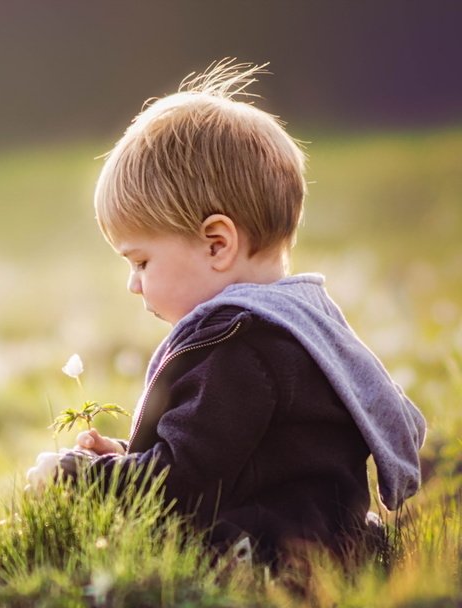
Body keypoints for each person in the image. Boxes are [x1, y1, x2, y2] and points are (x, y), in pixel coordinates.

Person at [55, 60, 426, 567]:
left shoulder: (238, 347)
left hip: (268, 556)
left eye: (141, 260)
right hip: (325, 543)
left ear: (217, 244)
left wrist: (78, 477)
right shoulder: (300, 322)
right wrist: (125, 459)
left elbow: (177, 488)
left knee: (131, 556)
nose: (132, 283)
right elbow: (231, 462)